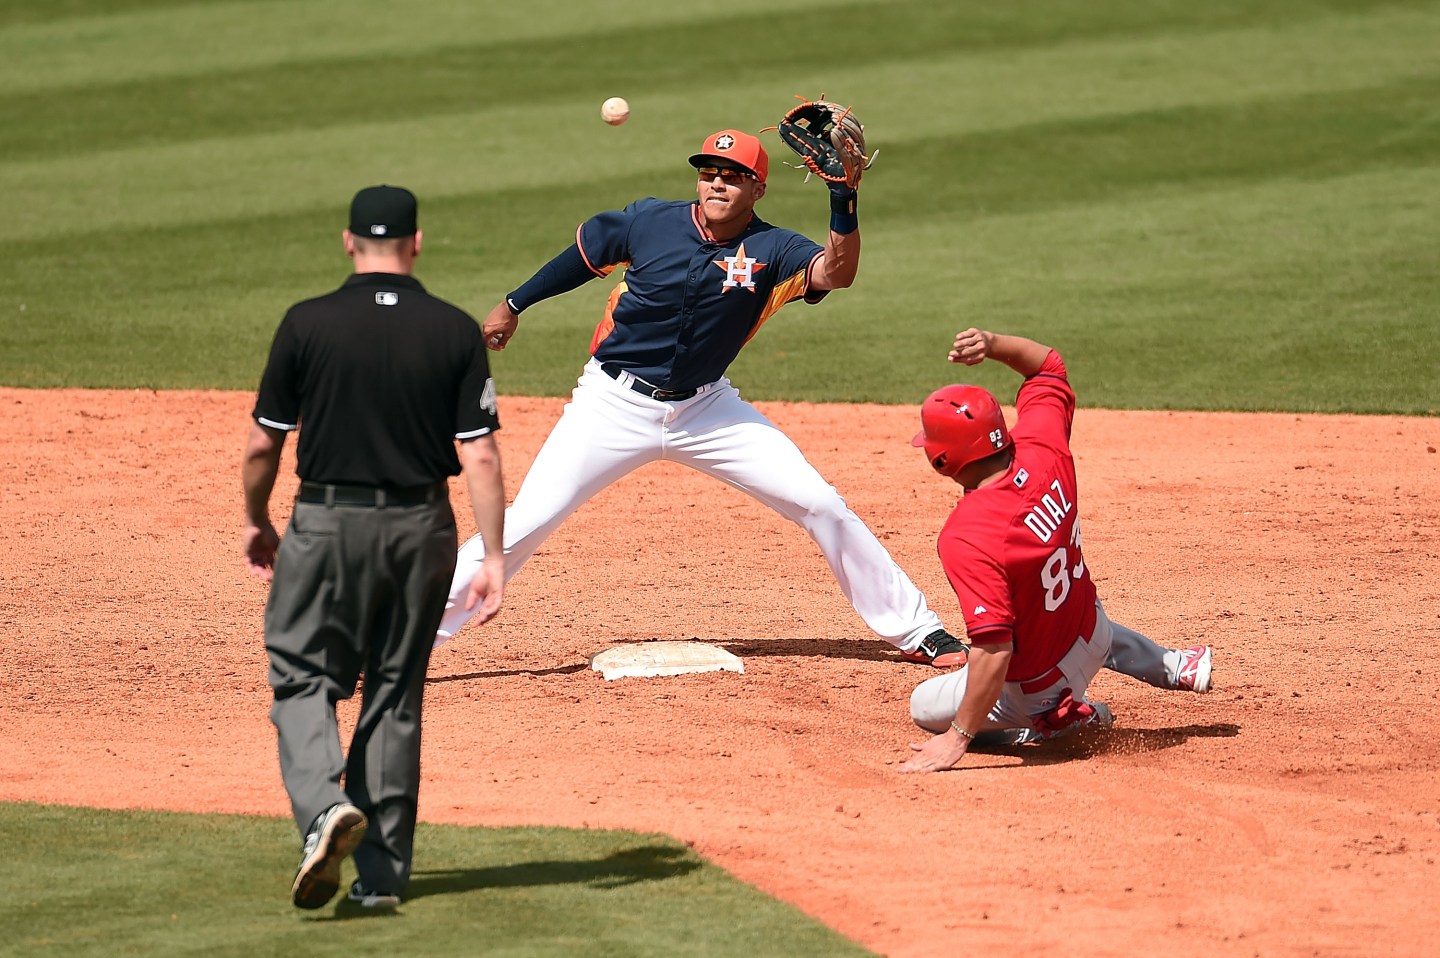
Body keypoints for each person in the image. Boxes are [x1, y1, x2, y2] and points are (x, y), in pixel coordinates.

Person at [435, 128, 964, 665]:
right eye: (709, 172)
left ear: (758, 189)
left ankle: (917, 629)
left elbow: (837, 273)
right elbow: (582, 254)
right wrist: (513, 304)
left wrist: (842, 199)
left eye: (734, 177)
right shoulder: (650, 221)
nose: (717, 183)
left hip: (707, 409)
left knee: (821, 503)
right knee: (524, 521)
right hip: (611, 405)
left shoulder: (774, 248)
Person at [242, 185, 506, 908]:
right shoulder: (454, 330)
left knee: (301, 673)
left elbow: (266, 442)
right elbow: (479, 457)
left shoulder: (307, 323)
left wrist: (256, 518)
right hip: (423, 529)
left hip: (327, 522)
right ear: (416, 243)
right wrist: (495, 557)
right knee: (394, 691)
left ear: (348, 241)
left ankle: (324, 808)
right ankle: (382, 881)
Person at [897, 327, 1213, 773]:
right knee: (1068, 606)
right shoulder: (1042, 445)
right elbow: (1048, 365)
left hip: (1043, 687)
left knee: (923, 706)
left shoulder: (967, 536)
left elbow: (994, 650)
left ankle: (1056, 722)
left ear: (941, 460)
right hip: (1093, 630)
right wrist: (990, 343)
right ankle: (1172, 664)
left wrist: (958, 738)